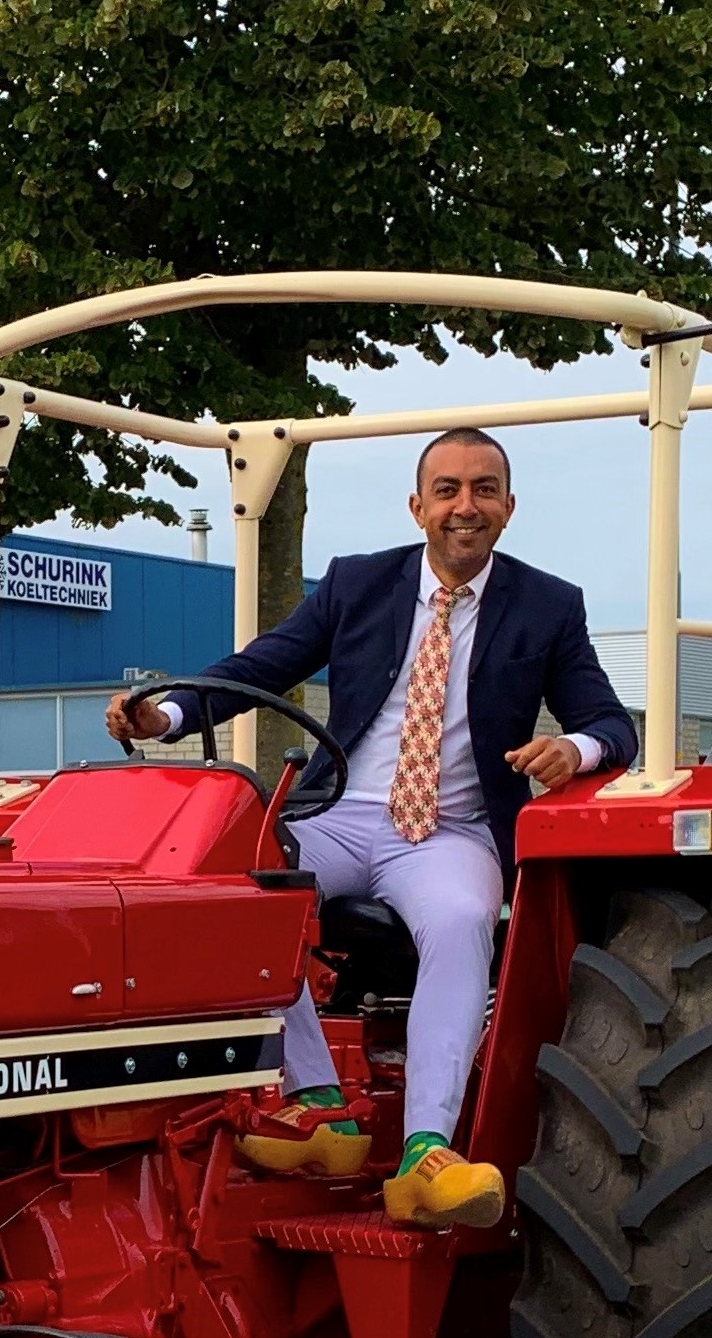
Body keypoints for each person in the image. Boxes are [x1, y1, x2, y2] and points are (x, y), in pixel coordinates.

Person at [106, 427, 639, 1229]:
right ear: (418, 505)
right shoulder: (358, 583)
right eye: (450, 490)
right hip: (343, 814)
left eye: (485, 489)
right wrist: (170, 711)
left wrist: (574, 746)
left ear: (509, 506)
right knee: (239, 877)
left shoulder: (548, 605)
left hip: (454, 830)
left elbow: (609, 721)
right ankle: (320, 1105)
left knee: (463, 919)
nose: (467, 506)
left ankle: (428, 1151)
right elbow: (261, 667)